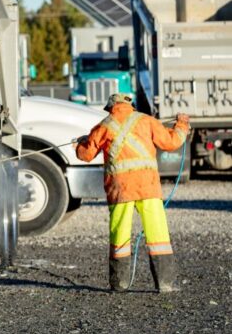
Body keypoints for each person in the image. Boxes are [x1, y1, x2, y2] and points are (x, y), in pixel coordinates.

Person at [75, 93, 189, 293]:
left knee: (120, 234)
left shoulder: (103, 126)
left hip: (120, 190)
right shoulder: (147, 121)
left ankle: (119, 284)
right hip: (148, 187)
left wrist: (81, 143)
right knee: (158, 234)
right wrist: (182, 124)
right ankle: (165, 283)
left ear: (111, 108)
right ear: (131, 106)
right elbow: (172, 143)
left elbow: (85, 154)